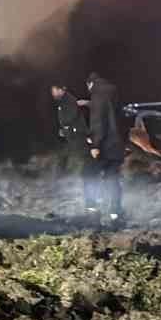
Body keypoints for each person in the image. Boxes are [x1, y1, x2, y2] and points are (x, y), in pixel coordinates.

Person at [83, 72, 125, 223]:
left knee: (89, 174)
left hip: (104, 146)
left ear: (90, 84)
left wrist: (95, 145)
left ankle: (92, 209)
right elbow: (111, 114)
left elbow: (99, 122)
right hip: (117, 145)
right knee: (112, 178)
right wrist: (88, 103)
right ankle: (116, 213)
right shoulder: (113, 92)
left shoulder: (97, 95)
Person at [50, 83, 88, 178]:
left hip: (76, 133)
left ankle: (89, 176)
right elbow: (63, 116)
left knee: (81, 155)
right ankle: (61, 176)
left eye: (54, 91)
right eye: (52, 91)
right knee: (64, 154)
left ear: (60, 90)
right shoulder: (63, 100)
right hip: (70, 132)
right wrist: (63, 128)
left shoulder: (69, 100)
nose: (53, 94)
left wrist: (65, 127)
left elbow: (72, 116)